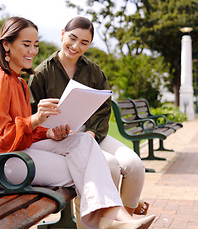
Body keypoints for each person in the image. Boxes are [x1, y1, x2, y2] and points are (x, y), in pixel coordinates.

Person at [0, 16, 155, 229]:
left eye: (35, 45)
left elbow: (22, 132)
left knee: (83, 141)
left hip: (16, 152)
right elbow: (1, 140)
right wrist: (36, 119)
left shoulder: (18, 82)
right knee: (92, 167)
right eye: (26, 44)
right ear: (6, 45)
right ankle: (116, 217)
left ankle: (114, 217)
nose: (32, 51)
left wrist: (47, 133)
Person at [28, 16, 149, 225]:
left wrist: (92, 133)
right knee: (110, 165)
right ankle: (93, 224)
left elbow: (104, 108)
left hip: (92, 133)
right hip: (61, 140)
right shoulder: (41, 74)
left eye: (84, 42)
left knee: (134, 165)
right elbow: (32, 115)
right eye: (72, 38)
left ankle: (125, 221)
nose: (76, 46)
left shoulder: (93, 71)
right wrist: (52, 131)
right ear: (62, 34)